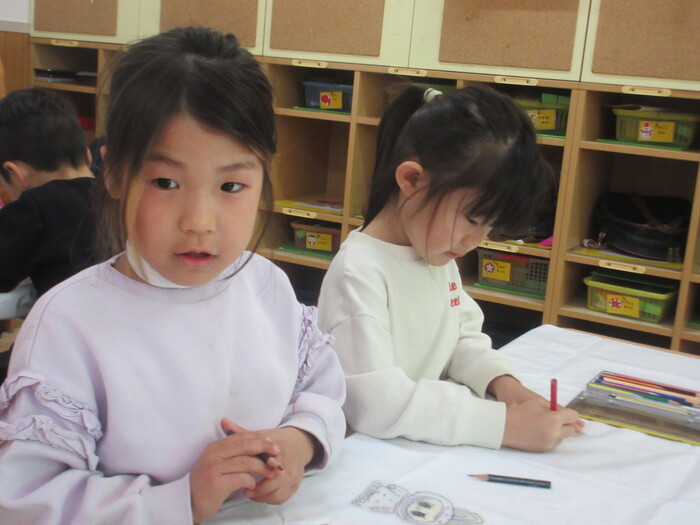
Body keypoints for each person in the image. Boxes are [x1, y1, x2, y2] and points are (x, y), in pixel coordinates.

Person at [0, 27, 346, 525]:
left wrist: (300, 440)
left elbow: (321, 384)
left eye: (231, 185)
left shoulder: (266, 284)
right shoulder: (68, 324)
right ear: (113, 173)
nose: (199, 222)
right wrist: (181, 499)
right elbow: (28, 500)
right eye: (165, 182)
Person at [317, 84, 583, 453]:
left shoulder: (433, 250)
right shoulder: (359, 272)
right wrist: (504, 426)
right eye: (472, 218)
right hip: (369, 456)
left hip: (419, 446)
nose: (476, 240)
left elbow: (460, 337)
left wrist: (508, 389)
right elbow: (376, 404)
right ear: (412, 180)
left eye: (489, 226)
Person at [0, 87, 95, 298]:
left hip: (68, 318)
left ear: (16, 174)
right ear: (88, 155)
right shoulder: (115, 195)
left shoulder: (35, 207)